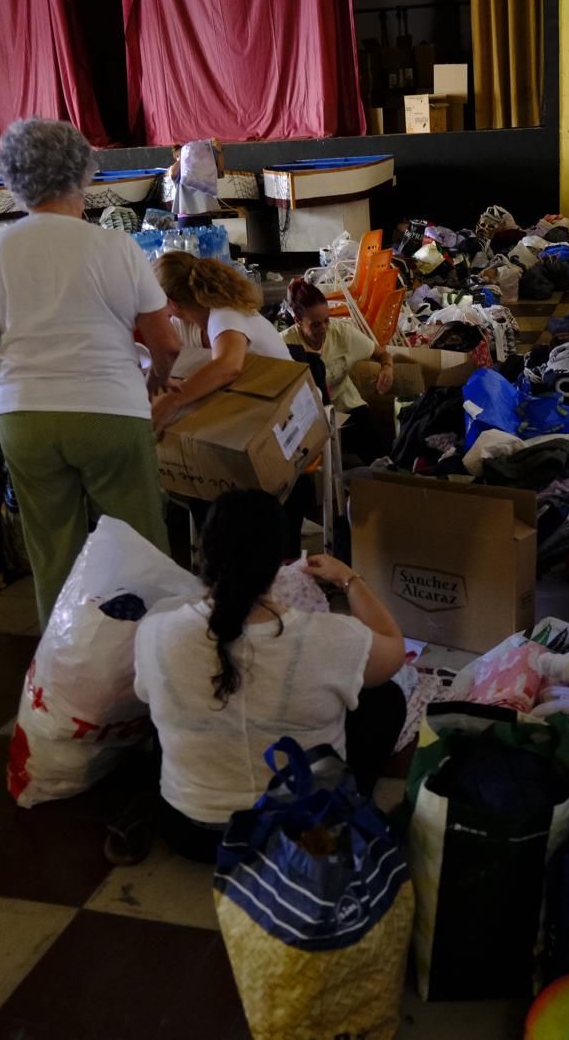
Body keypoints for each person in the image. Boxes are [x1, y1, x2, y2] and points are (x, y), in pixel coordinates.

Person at [0, 118, 183, 626]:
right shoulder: (115, 248)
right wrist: (156, 378)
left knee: (52, 550)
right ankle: (149, 658)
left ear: (13, 179)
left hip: (24, 415)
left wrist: (10, 371)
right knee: (138, 544)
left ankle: (62, 668)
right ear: (84, 174)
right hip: (109, 408)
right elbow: (165, 340)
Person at [127, 489, 408, 864]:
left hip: (191, 834)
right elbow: (394, 647)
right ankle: (349, 804)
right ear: (279, 563)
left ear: (202, 552)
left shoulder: (156, 630)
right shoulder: (331, 638)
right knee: (384, 697)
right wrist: (348, 579)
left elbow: (151, 697)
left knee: (173, 696)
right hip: (299, 838)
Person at [150, 251, 290, 428]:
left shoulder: (225, 313)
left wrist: (170, 401)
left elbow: (228, 366)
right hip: (256, 406)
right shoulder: (185, 324)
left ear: (171, 303)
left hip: (290, 409)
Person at [281, 278, 397, 463]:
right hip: (308, 417)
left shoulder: (342, 333)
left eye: (326, 321)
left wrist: (387, 368)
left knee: (380, 457)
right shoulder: (284, 346)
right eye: (315, 325)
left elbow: (383, 355)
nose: (324, 329)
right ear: (298, 321)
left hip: (345, 404)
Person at [168, 138, 223, 227]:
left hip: (204, 213)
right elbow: (172, 173)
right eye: (179, 155)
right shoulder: (178, 170)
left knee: (206, 240)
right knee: (184, 240)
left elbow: (219, 170)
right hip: (185, 215)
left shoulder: (202, 168)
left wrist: (219, 152)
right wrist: (184, 157)